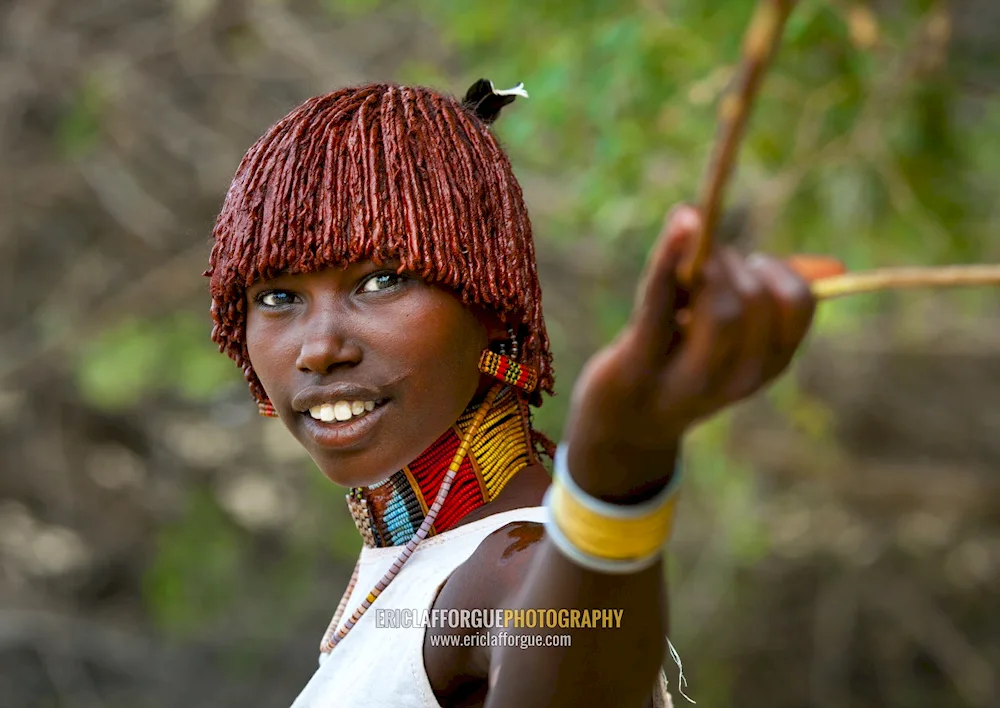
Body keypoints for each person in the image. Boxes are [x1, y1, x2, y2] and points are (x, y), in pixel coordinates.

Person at [205, 79, 842, 708]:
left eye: (380, 282)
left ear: (493, 307)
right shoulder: (416, 564)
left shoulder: (515, 564)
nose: (318, 348)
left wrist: (618, 471)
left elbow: (572, 651)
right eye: (278, 297)